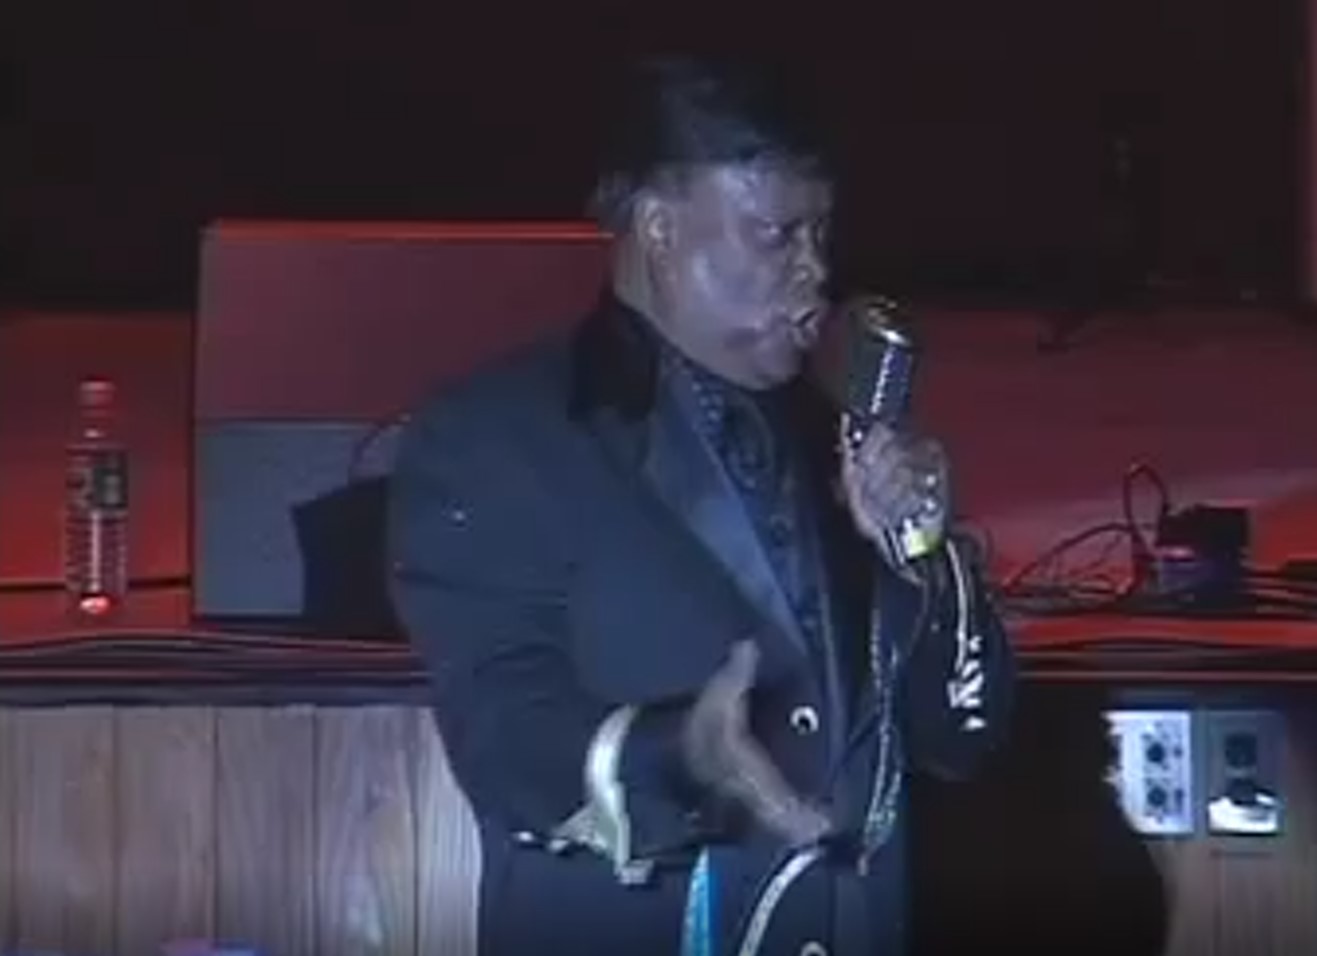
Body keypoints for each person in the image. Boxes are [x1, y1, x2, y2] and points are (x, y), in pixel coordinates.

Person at [388, 56, 1015, 956]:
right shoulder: (500, 435)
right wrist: (679, 757)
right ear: (659, 227)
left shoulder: (839, 441)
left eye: (821, 234)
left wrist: (925, 557)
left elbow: (963, 737)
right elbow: (504, 736)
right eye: (776, 235)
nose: (816, 271)